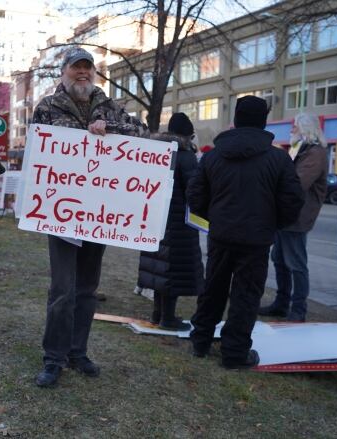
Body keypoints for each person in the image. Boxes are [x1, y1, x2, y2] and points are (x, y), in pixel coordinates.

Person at [30, 47, 147, 388]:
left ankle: (77, 352)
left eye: (87, 68)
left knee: (87, 289)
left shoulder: (108, 105)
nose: (82, 73)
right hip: (61, 215)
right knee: (62, 289)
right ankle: (53, 358)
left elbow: (141, 134)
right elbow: (38, 152)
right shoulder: (47, 108)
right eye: (75, 68)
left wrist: (108, 127)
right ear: (63, 73)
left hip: (99, 214)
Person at [187, 96, 303, 369]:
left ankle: (200, 341)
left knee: (213, 287)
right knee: (246, 295)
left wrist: (214, 218)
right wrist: (274, 224)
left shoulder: (213, 156)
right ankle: (234, 353)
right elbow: (292, 200)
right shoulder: (278, 158)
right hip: (256, 238)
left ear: (236, 120)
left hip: (223, 234)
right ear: (263, 121)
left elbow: (196, 195)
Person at [137, 112, 203, 330]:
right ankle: (168, 318)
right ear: (188, 135)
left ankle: (157, 314)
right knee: (173, 270)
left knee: (158, 268)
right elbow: (194, 190)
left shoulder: (156, 152)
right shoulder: (186, 155)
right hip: (178, 224)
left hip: (154, 220)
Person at [258, 113, 327, 322]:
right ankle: (281, 303)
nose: (291, 130)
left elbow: (297, 183)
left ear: (306, 129)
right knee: (279, 259)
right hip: (287, 214)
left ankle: (298, 309)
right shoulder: (302, 150)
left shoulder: (314, 153)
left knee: (295, 263)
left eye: (294, 126)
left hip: (297, 217)